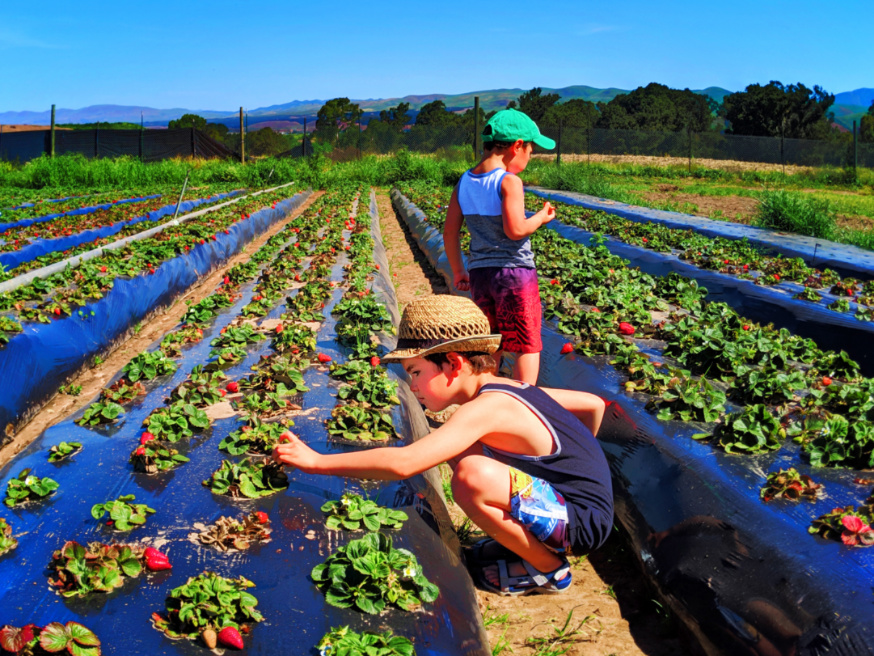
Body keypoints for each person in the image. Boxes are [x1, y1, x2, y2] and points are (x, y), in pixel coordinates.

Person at [273, 295, 614, 596]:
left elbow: (405, 463)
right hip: (581, 509)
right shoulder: (512, 389)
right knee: (459, 449)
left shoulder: (487, 407)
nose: (412, 385)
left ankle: (550, 569)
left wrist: (317, 462)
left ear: (453, 363)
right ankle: (532, 536)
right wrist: (577, 465)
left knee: (470, 475)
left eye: (416, 371)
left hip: (580, 524)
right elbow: (592, 404)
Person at [443, 108, 556, 384]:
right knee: (526, 342)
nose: (530, 157)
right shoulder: (509, 181)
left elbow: (449, 232)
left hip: (481, 275)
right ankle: (524, 399)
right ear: (517, 146)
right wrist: (540, 218)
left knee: (491, 341)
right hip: (515, 274)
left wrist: (459, 271)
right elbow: (516, 230)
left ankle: (486, 396)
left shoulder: (464, 182)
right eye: (531, 151)